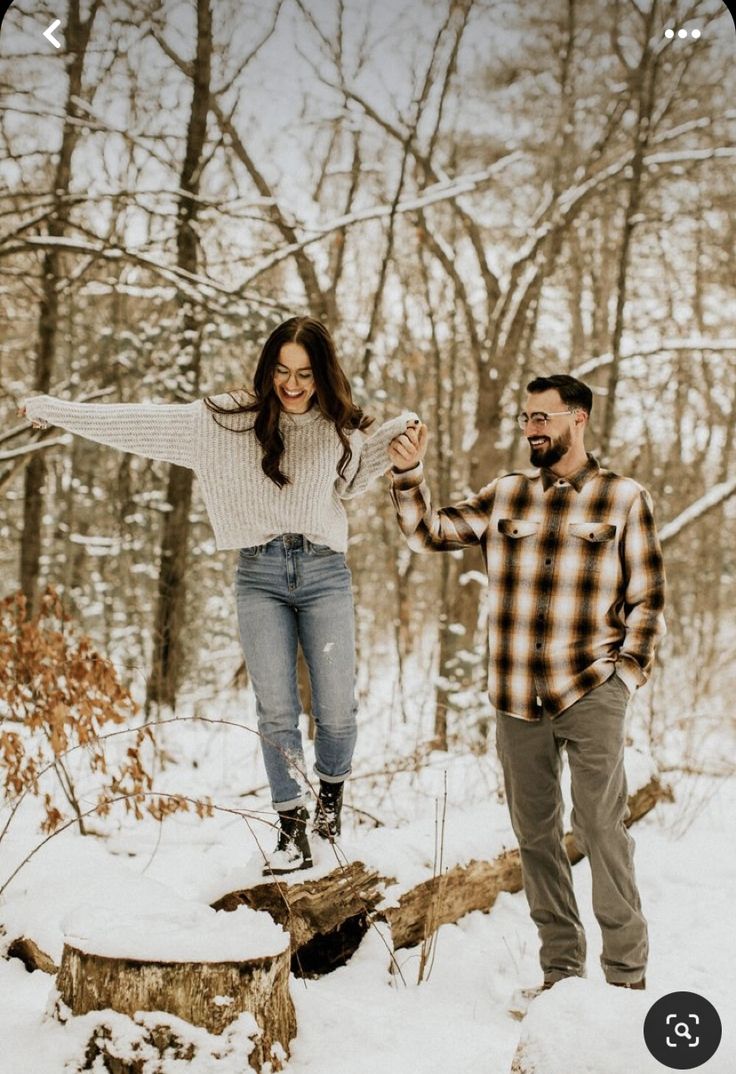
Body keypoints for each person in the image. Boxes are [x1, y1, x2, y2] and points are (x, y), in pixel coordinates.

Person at [22, 315, 418, 875]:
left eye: (305, 373)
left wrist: (405, 436)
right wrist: (56, 410)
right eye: (281, 370)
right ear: (267, 370)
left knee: (336, 708)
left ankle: (331, 806)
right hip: (258, 575)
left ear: (323, 375)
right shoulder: (223, 423)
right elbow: (137, 423)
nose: (293, 384)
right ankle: (291, 831)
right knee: (276, 707)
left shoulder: (338, 429)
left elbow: (355, 476)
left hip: (325, 572)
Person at [388, 374, 665, 990]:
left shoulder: (624, 498)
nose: (532, 428)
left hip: (592, 686)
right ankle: (561, 973)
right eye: (526, 418)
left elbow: (647, 598)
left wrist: (627, 676)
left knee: (600, 827)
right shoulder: (505, 494)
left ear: (579, 420)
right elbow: (428, 531)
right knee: (537, 837)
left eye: (543, 417)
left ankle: (625, 978)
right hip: (517, 697)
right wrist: (409, 475)